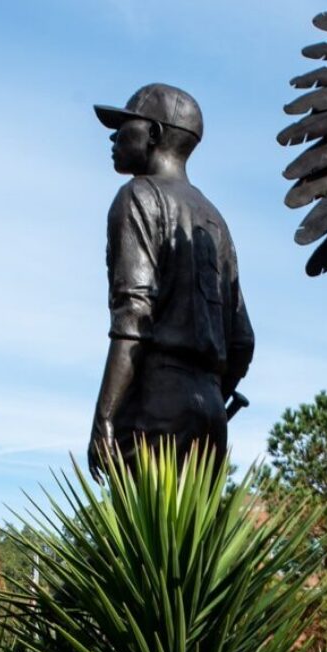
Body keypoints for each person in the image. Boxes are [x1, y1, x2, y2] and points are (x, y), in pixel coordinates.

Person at [87, 83, 254, 479]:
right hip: (212, 413)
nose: (114, 136)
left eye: (126, 125)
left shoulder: (137, 197)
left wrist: (105, 417)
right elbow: (243, 340)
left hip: (155, 406)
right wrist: (209, 392)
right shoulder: (215, 220)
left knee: (137, 540)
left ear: (155, 135)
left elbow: (134, 317)